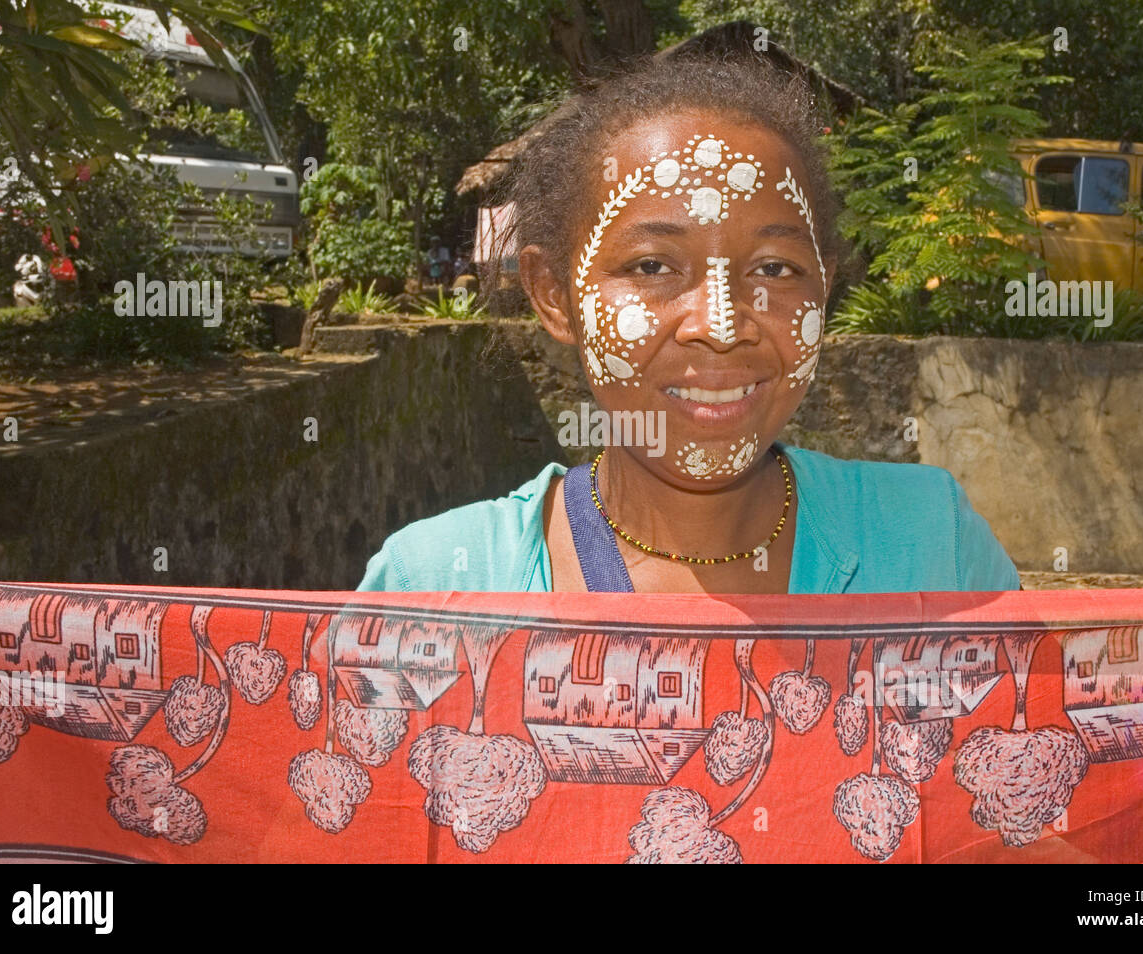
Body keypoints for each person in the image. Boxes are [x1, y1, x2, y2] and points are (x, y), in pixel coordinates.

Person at [358, 54, 1019, 595]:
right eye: (652, 266)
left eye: (775, 269)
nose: (721, 326)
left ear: (825, 281)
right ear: (554, 294)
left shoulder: (934, 549)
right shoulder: (438, 587)